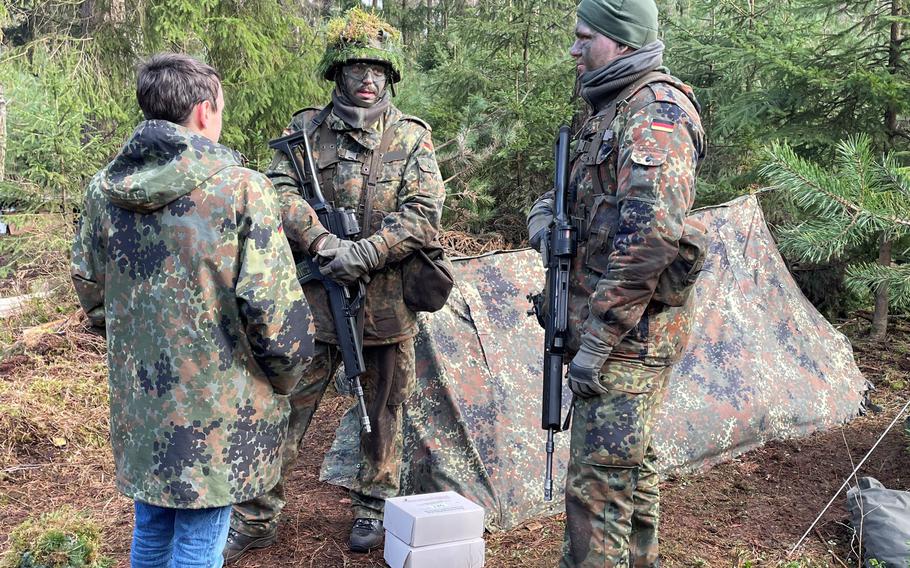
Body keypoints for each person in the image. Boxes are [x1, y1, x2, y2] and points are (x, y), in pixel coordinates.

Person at [71, 52, 310, 568]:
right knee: (200, 539)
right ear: (204, 111)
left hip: (142, 399)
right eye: (220, 108)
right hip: (220, 406)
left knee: (153, 525)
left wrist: (139, 343)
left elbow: (91, 288)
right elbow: (275, 314)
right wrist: (284, 379)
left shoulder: (103, 190)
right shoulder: (241, 189)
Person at [224, 8, 445, 561]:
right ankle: (256, 514)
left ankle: (373, 505)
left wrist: (365, 253)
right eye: (355, 69)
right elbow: (277, 192)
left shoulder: (411, 138)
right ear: (336, 74)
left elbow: (423, 214)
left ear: (390, 76)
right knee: (283, 410)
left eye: (377, 69)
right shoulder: (304, 134)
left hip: (388, 306)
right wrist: (325, 246)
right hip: (315, 303)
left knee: (385, 412)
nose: (367, 79)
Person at [527, 1, 707, 565]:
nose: (574, 50)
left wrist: (598, 340)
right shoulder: (615, 108)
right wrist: (545, 220)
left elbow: (650, 237)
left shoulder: (656, 113)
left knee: (598, 492)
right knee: (630, 477)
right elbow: (595, 211)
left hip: (628, 339)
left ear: (622, 42)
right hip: (622, 333)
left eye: (586, 38)